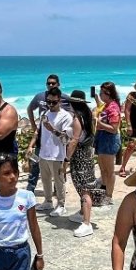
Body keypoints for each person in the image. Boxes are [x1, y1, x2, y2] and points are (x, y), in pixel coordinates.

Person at [31, 86, 78, 217]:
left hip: (58, 154)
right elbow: (38, 132)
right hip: (44, 153)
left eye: (54, 102)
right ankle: (48, 201)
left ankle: (61, 204)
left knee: (59, 181)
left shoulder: (65, 116)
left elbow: (67, 138)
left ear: (60, 101)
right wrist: (31, 146)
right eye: (48, 102)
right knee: (45, 180)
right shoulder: (44, 114)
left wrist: (53, 130)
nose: (50, 105)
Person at [66, 90, 105, 237]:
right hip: (88, 154)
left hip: (80, 156)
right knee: (86, 186)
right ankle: (83, 212)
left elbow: (74, 140)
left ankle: (86, 223)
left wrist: (66, 159)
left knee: (84, 189)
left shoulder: (77, 118)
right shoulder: (88, 115)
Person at [25, 74, 63, 193]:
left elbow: (71, 113)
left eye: (53, 83)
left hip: (56, 138)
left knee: (56, 165)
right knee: (36, 163)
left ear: (58, 84)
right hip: (42, 137)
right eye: (48, 83)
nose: (50, 85)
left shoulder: (63, 98)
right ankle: (30, 190)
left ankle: (58, 190)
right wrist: (33, 124)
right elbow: (29, 109)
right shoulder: (39, 97)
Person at [94, 81, 122, 204]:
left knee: (109, 170)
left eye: (101, 93)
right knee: (103, 169)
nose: (100, 95)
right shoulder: (106, 105)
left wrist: (99, 123)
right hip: (101, 137)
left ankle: (109, 195)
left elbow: (114, 128)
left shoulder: (113, 107)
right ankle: (104, 192)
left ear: (108, 93)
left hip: (109, 139)